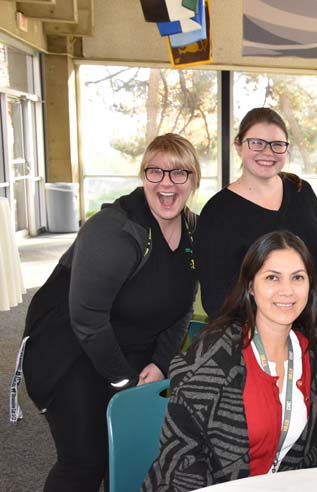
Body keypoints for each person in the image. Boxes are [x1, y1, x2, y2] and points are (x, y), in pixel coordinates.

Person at [15, 134, 200, 492]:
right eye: (155, 171)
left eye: (179, 173)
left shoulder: (194, 229)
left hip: (133, 344)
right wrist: (124, 381)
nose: (166, 182)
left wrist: (161, 361)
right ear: (143, 176)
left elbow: (182, 306)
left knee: (129, 453)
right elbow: (87, 319)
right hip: (70, 349)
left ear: (194, 180)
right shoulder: (113, 229)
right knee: (85, 458)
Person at [143, 231, 317, 491]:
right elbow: (181, 458)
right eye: (272, 277)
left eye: (298, 278)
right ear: (250, 285)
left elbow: (313, 455)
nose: (287, 290)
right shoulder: (213, 356)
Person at [194, 107, 317, 323]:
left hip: (313, 336)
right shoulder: (218, 212)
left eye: (277, 144)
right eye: (256, 143)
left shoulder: (302, 192)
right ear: (238, 146)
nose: (268, 152)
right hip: (251, 343)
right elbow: (216, 300)